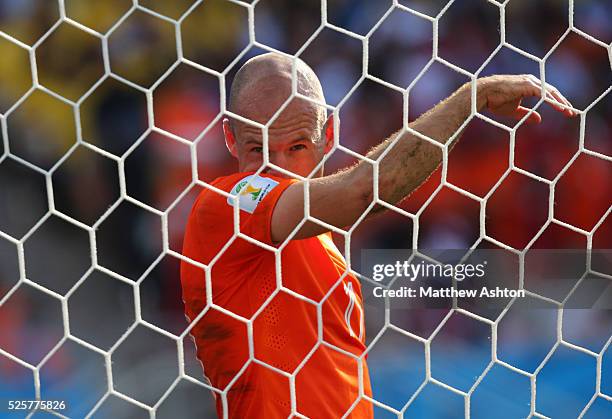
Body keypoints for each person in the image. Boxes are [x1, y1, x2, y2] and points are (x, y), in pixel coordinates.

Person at [180, 53, 575, 418]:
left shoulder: (315, 241)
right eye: (258, 148)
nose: (279, 168)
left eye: (297, 147)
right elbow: (367, 189)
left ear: (328, 134)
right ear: (230, 138)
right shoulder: (227, 205)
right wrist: (473, 97)